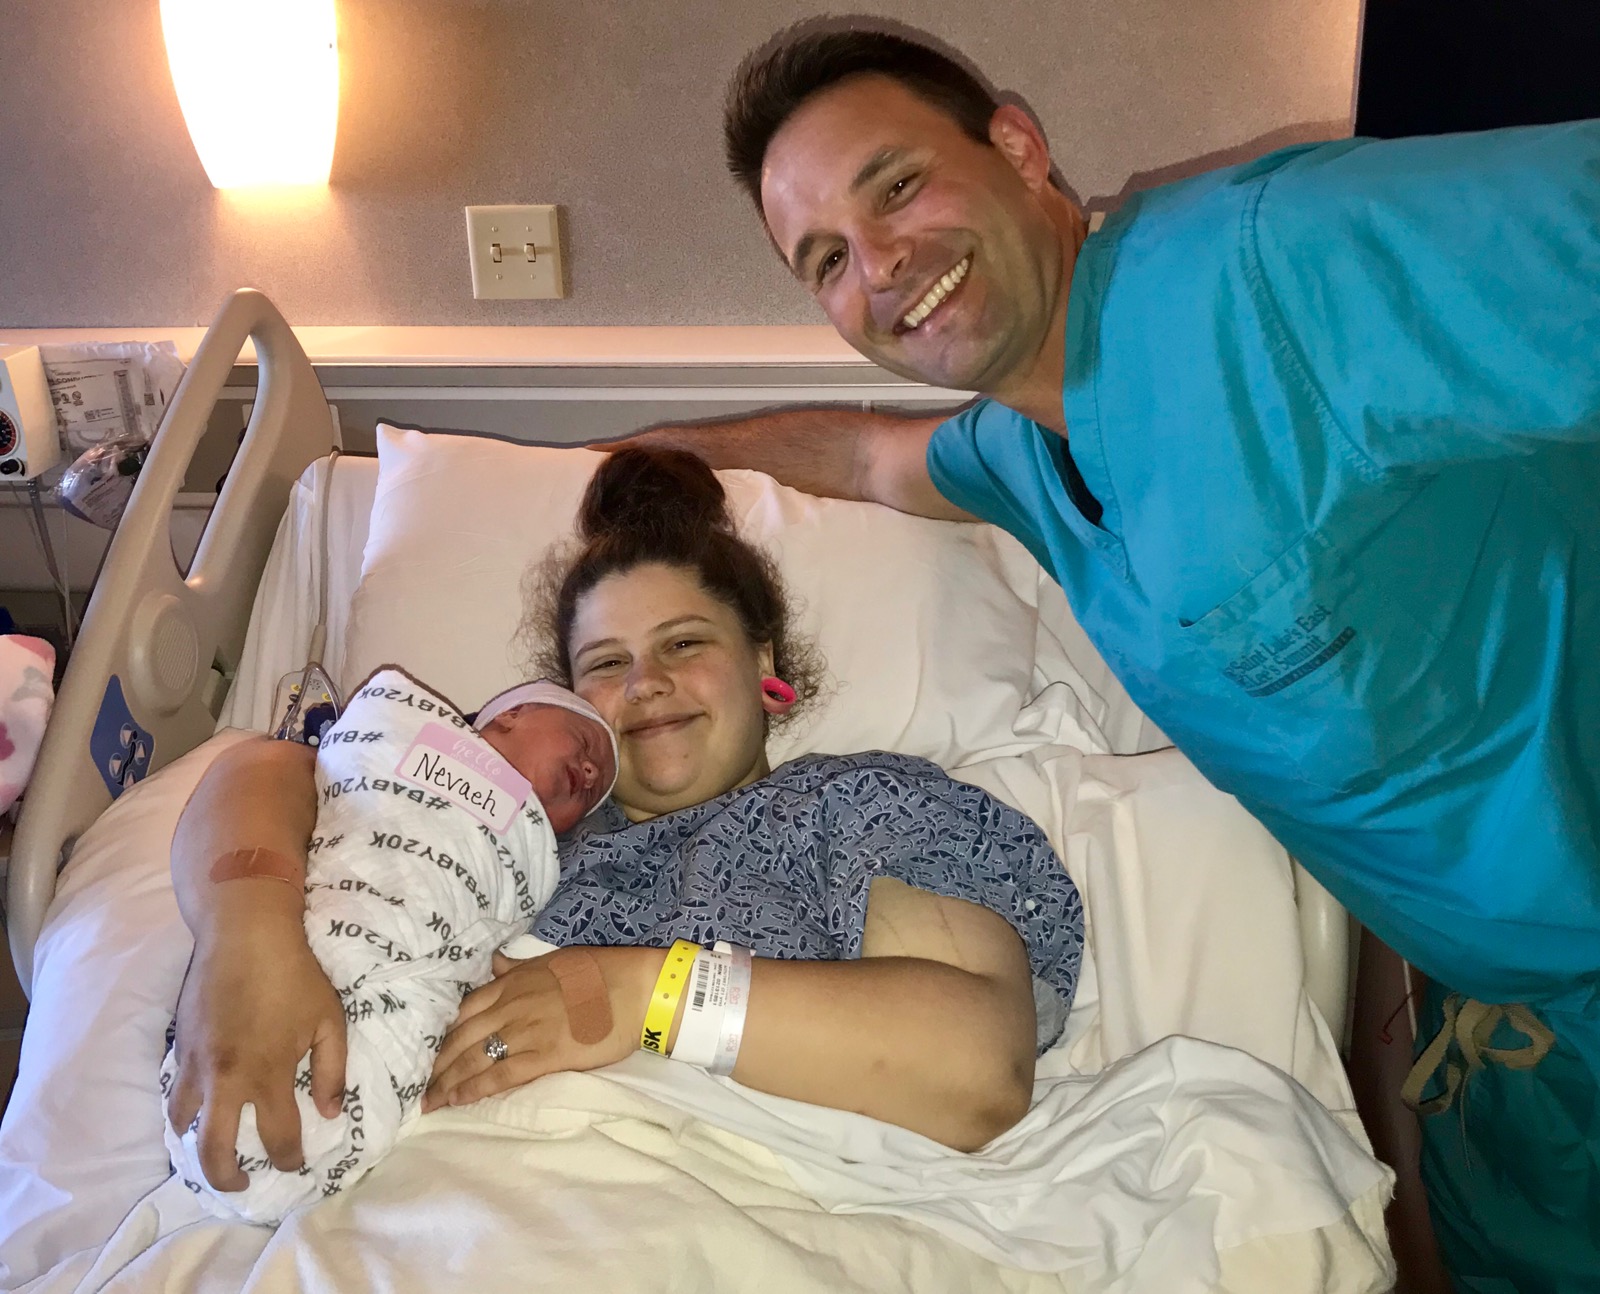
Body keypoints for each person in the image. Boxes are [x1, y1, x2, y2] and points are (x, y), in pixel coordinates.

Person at [604, 26, 1600, 1288]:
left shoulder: (1261, 267)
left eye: (898, 186)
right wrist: (626, 460)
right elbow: (864, 457)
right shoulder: (1024, 447)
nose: (880, 265)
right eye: (825, 261)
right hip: (1521, 1046)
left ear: (1017, 149)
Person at [165, 446, 1085, 1205]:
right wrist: (245, 941)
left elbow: (976, 1070)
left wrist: (643, 999)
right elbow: (266, 767)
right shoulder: (504, 836)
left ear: (764, 664)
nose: (644, 681)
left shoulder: (856, 807)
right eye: (605, 664)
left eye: (685, 644)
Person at [162, 671, 617, 1221]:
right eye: (585, 743)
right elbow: (288, 771)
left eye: (595, 793)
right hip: (320, 927)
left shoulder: (541, 849)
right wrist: (246, 938)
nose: (590, 772)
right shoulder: (401, 730)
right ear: (512, 714)